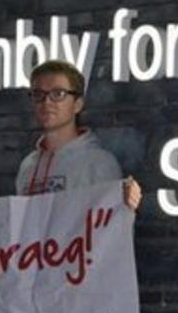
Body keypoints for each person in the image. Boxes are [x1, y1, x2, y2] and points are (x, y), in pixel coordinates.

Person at [16, 60, 142, 211]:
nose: (46, 102)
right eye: (38, 95)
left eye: (58, 94)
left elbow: (111, 221)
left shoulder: (99, 163)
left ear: (77, 104)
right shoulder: (27, 166)